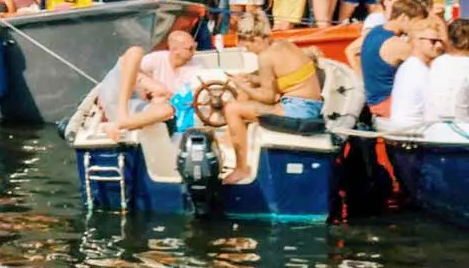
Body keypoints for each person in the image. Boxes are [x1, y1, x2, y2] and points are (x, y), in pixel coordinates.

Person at [218, 11, 325, 178]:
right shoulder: (283, 44)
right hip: (309, 104)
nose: (249, 51)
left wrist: (241, 85)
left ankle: (241, 169)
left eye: (248, 46)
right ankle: (229, 139)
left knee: (232, 109)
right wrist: (251, 79)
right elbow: (281, 79)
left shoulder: (265, 57)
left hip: (298, 110)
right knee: (250, 87)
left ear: (256, 40)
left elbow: (268, 97)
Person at [103, 28, 200, 141]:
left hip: (141, 107)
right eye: (191, 48)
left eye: (195, 46)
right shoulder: (157, 59)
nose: (195, 51)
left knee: (167, 110)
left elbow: (184, 101)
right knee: (136, 51)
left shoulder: (196, 68)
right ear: (174, 49)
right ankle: (122, 115)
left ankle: (120, 123)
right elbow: (127, 66)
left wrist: (164, 95)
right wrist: (149, 83)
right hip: (120, 95)